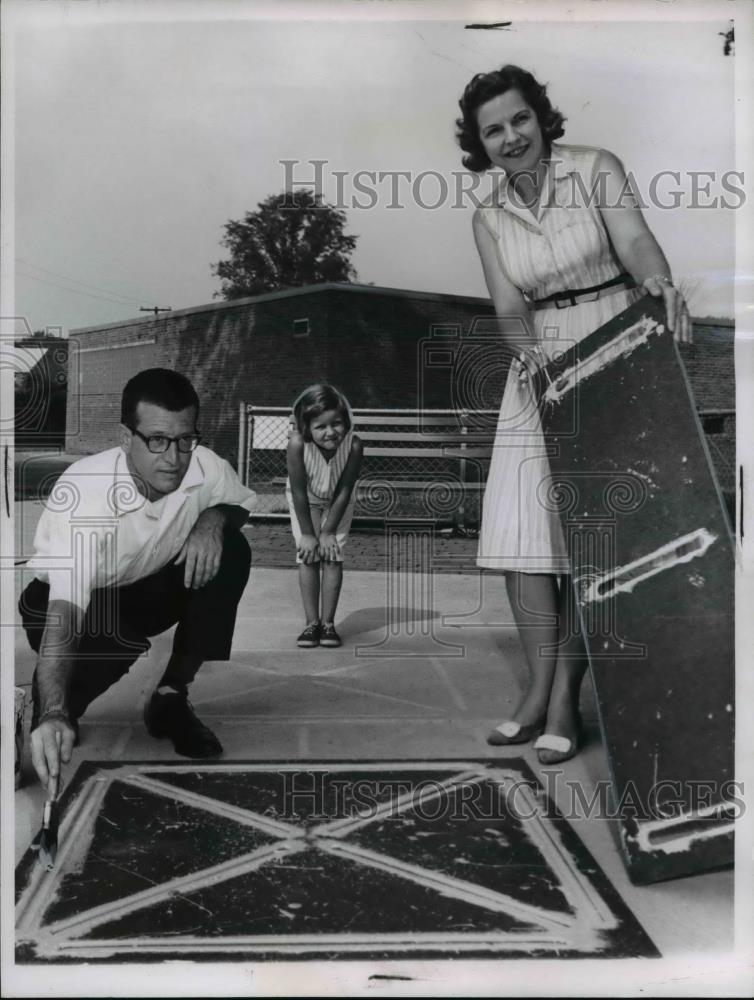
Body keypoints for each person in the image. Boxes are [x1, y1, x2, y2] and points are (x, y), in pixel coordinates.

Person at [456, 65, 691, 764]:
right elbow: (507, 307)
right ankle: (535, 687)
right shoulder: (488, 215)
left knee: (599, 536)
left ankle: (566, 697)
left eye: (519, 119)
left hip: (614, 338)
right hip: (538, 364)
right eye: (493, 129)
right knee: (524, 535)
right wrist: (528, 357)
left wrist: (657, 280)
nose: (511, 137)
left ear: (542, 116)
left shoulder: (596, 169)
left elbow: (638, 243)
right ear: (479, 144)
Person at [20, 368, 256, 789]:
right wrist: (54, 710)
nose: (174, 458)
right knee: (63, 708)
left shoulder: (203, 465)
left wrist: (213, 518)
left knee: (233, 551)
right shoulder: (88, 494)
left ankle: (170, 697)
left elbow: (240, 503)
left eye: (185, 439)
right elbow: (65, 609)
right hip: (66, 603)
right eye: (157, 440)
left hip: (144, 587)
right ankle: (39, 713)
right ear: (126, 438)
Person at [285, 384, 363, 648]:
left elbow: (345, 489)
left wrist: (328, 531)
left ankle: (328, 624)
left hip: (338, 501)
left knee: (332, 554)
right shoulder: (297, 444)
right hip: (305, 500)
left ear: (346, 422)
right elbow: (298, 492)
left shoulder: (353, 445)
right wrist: (309, 534)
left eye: (337, 423)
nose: (331, 432)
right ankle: (311, 624)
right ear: (307, 428)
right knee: (308, 555)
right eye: (321, 426)